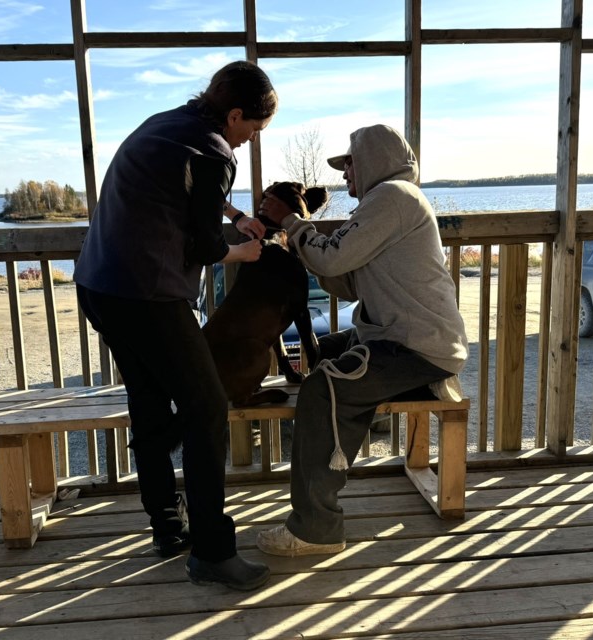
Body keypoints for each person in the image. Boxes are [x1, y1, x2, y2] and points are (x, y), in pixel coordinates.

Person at [74, 61, 274, 590]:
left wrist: (232, 215)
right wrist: (244, 251)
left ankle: (166, 525)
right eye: (253, 130)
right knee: (207, 406)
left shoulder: (166, 123)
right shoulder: (215, 149)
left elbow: (187, 196)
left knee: (148, 399)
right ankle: (212, 550)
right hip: (146, 295)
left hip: (99, 285)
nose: (250, 141)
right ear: (234, 115)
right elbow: (205, 247)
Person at [254, 123, 468, 557]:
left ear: (373, 159)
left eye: (349, 163)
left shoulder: (392, 198)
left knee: (323, 386)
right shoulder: (387, 202)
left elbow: (332, 256)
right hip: (406, 336)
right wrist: (306, 242)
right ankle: (329, 462)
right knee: (326, 352)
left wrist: (293, 223)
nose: (345, 172)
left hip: (416, 346)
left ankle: (316, 528)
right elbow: (347, 282)